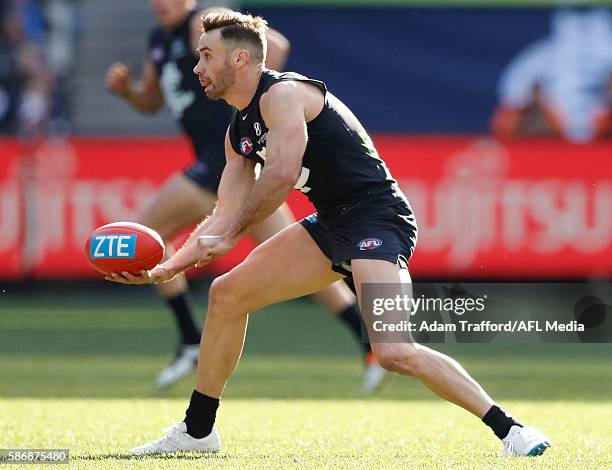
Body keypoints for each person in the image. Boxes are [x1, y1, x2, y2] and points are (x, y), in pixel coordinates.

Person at [108, 10, 552, 457]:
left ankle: (511, 430)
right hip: (332, 223)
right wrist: (166, 268)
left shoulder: (282, 94)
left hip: (378, 219)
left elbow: (280, 174)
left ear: (240, 58)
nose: (196, 68)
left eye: (206, 56)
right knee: (226, 294)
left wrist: (228, 235)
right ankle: (197, 431)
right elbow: (221, 215)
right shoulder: (237, 131)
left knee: (394, 350)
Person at [105, 0, 385, 392]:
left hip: (231, 160)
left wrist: (250, 76)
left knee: (145, 233)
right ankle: (371, 344)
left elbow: (270, 47)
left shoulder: (204, 26)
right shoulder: (159, 41)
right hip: (237, 158)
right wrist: (127, 92)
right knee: (308, 265)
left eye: (206, 58)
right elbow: (152, 101)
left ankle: (188, 337)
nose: (161, 2)